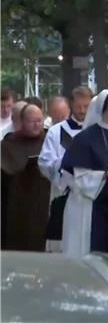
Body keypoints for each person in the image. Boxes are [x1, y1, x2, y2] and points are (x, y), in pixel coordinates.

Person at [60, 89, 108, 258]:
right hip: (94, 202)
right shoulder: (85, 138)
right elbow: (78, 176)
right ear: (104, 107)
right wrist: (102, 175)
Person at [38, 86, 92, 253]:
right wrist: (65, 164)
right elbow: (45, 162)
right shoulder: (57, 131)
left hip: (92, 195)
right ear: (71, 106)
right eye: (78, 107)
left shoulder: (96, 131)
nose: (82, 111)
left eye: (86, 106)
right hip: (65, 193)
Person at [1, 104, 48, 251]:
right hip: (16, 206)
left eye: (39, 120)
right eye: (31, 121)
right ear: (22, 122)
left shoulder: (50, 141)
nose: (36, 125)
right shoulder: (9, 144)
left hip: (44, 204)